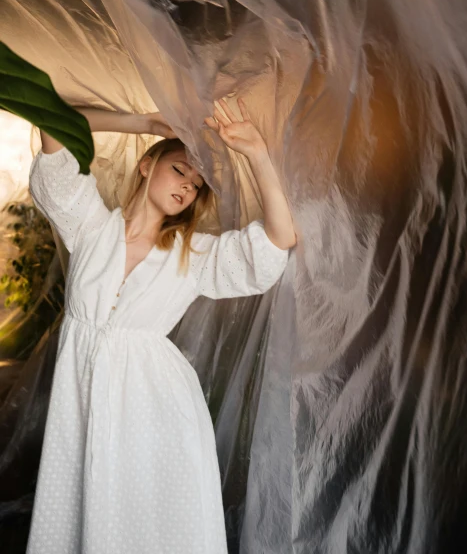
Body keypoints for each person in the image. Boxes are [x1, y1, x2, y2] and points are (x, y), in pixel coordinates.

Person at [25, 97, 296, 554]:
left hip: (155, 411)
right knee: (82, 509)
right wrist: (144, 122)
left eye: (196, 183)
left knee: (148, 521)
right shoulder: (89, 225)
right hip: (84, 400)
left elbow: (278, 241)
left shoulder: (192, 255)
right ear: (147, 165)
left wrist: (258, 155)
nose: (188, 185)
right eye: (179, 170)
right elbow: (51, 117)